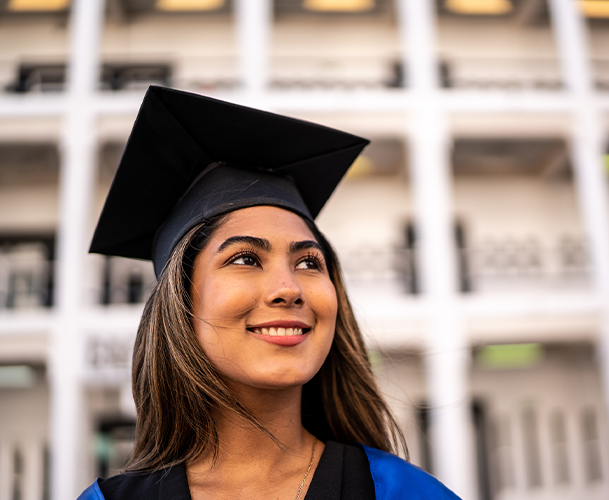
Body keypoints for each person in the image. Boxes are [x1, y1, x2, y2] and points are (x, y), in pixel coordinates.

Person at [77, 86, 460, 500]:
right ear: (181, 301)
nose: (289, 289)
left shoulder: (403, 493)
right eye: (245, 259)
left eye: (309, 263)